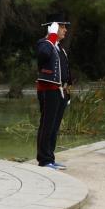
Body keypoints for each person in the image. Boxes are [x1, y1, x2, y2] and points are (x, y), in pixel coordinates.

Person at [34, 14, 72, 170]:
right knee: (47, 125)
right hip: (48, 90)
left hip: (59, 92)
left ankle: (50, 157)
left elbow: (65, 71)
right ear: (54, 27)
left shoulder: (59, 48)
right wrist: (52, 36)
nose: (65, 30)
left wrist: (67, 92)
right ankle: (44, 160)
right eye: (62, 27)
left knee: (55, 126)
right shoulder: (44, 43)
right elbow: (43, 56)